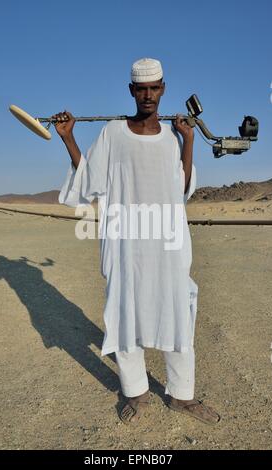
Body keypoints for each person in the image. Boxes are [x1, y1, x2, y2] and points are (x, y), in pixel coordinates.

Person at [55, 58, 220, 425]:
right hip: (127, 242)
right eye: (141, 88)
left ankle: (182, 396)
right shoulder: (113, 132)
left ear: (163, 89)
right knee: (125, 311)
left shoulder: (171, 137)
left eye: (154, 88)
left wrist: (188, 140)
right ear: (131, 90)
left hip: (168, 241)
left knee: (177, 311)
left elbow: (182, 188)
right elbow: (90, 182)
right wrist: (68, 138)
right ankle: (136, 392)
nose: (148, 95)